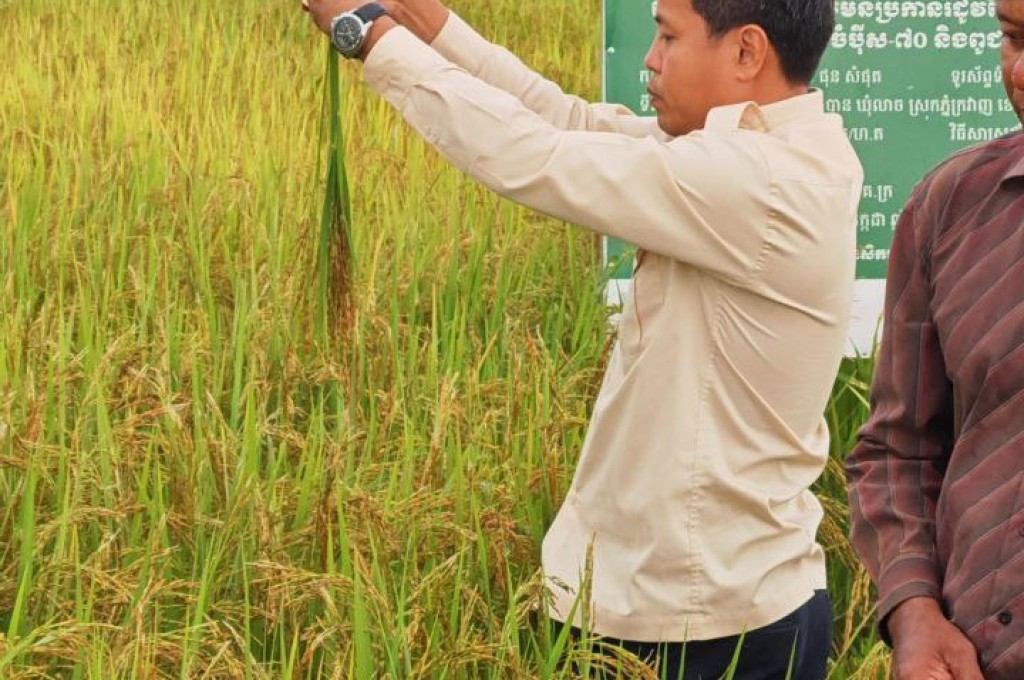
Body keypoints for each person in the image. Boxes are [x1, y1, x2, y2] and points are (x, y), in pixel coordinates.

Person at [304, 0, 862, 677]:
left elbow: (534, 155)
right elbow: (567, 122)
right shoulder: (768, 150)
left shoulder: (759, 180)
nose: (651, 60)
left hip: (705, 624)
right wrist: (423, 19)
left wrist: (367, 33)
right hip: (692, 597)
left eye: (669, 36)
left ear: (746, 52)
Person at [844, 2, 1024, 680]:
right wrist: (914, 612)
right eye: (1013, 38)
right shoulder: (949, 208)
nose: (1020, 72)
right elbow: (898, 448)